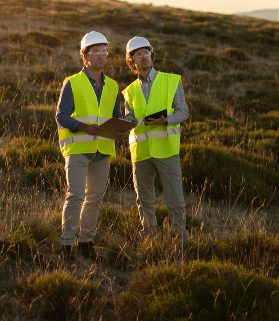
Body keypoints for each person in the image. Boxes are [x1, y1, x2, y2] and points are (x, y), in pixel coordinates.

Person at [56, 31, 122, 260]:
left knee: (94, 199)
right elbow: (61, 116)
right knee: (75, 196)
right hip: (78, 149)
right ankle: (66, 247)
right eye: (96, 51)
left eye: (104, 51)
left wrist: (121, 130)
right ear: (85, 56)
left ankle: (86, 243)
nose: (102, 55)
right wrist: (83, 127)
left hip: (103, 151)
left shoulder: (113, 86)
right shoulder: (72, 83)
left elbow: (116, 117)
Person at [123, 36, 190, 244]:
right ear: (131, 61)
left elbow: (183, 111)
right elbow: (128, 116)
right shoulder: (129, 91)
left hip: (166, 149)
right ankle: (149, 235)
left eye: (146, 53)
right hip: (140, 151)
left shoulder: (171, 81)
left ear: (152, 55)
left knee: (175, 199)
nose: (144, 57)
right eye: (138, 55)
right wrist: (128, 121)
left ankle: (179, 238)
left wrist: (166, 120)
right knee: (143, 199)